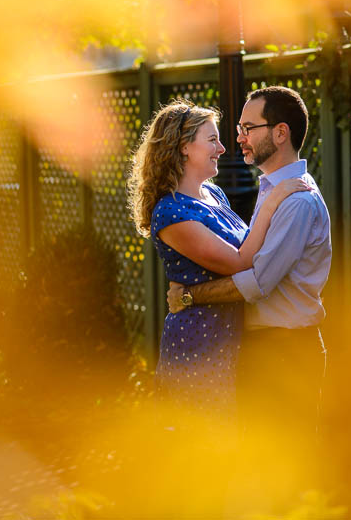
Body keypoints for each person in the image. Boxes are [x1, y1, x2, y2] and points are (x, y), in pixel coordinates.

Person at [166, 86, 331, 511]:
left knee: (285, 481)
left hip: (287, 351)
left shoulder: (295, 199)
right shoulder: (273, 188)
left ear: (280, 133)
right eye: (235, 128)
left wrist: (191, 296)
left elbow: (258, 281)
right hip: (261, 350)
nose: (237, 137)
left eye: (246, 128)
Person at [127, 99, 308, 416]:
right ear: (184, 147)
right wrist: (273, 200)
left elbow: (251, 246)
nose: (223, 148)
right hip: (199, 342)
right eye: (212, 140)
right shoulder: (170, 213)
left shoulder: (215, 194)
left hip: (232, 339)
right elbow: (240, 261)